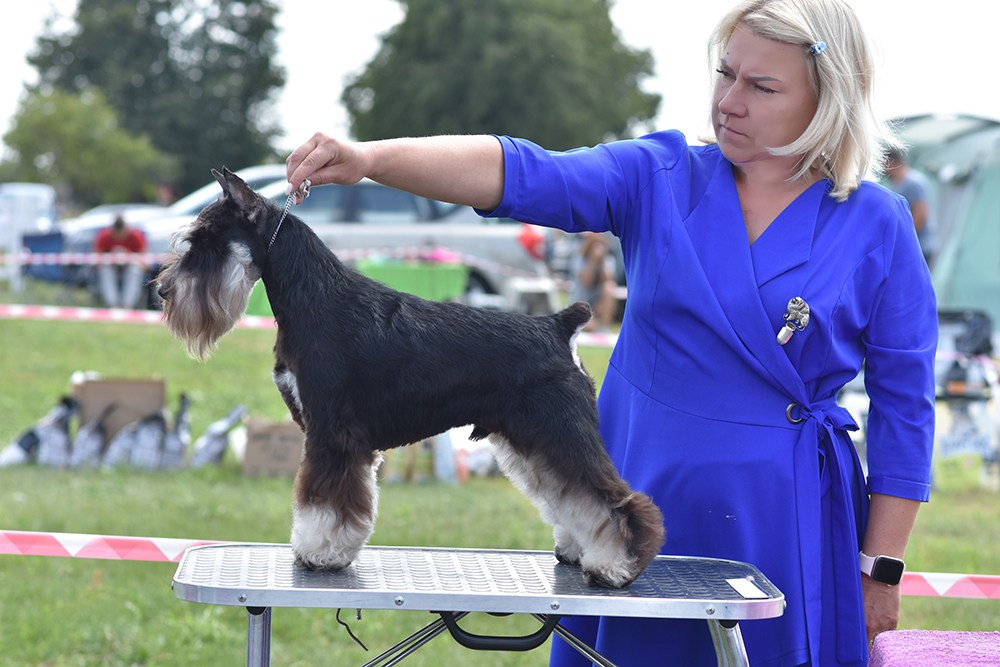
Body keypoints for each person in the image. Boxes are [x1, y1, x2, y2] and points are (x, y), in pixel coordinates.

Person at [284, 0, 937, 663]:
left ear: (827, 99)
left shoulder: (878, 223)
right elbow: (521, 170)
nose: (729, 101)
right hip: (638, 505)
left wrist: (879, 568)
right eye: (725, 73)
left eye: (762, 86)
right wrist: (370, 157)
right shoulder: (659, 175)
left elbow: (905, 410)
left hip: (784, 524)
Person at [884, 146, 937, 267]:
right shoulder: (895, 183)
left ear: (892, 162)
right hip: (910, 246)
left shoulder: (913, 183)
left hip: (920, 246)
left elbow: (921, 215)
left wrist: (904, 238)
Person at [93, 214, 148, 308]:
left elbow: (144, 260)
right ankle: (113, 304)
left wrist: (129, 256)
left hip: (130, 266)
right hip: (111, 267)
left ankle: (127, 305)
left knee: (135, 270)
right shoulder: (104, 236)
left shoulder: (135, 236)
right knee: (105, 270)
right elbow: (98, 259)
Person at [570, 231, 618, 331]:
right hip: (580, 306)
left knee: (609, 287)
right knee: (585, 325)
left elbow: (609, 280)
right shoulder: (579, 258)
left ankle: (603, 327)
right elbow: (586, 282)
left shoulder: (607, 259)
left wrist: (601, 262)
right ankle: (597, 327)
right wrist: (593, 260)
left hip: (598, 307)